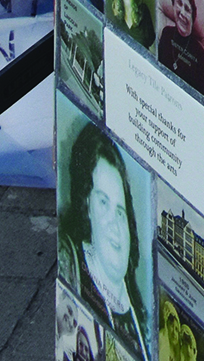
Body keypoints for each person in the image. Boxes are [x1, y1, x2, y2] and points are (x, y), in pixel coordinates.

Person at [58, 121, 149, 355]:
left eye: (120, 211)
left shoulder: (141, 317)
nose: (115, 226)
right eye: (102, 202)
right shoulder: (70, 264)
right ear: (86, 206)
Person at [158, 0, 204, 96]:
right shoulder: (166, 34)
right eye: (179, 3)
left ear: (193, 15)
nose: (182, 12)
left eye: (187, 9)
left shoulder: (199, 54)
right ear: (173, 4)